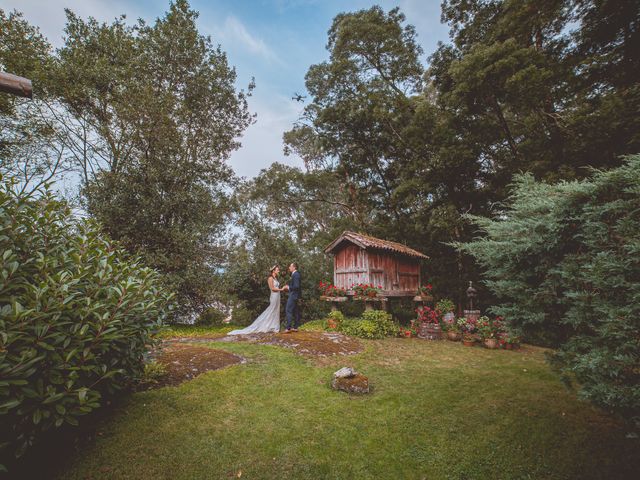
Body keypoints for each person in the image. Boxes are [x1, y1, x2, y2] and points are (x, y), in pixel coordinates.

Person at [228, 265, 285, 335]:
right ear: (273, 271)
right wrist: (281, 289)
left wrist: (280, 290)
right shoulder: (270, 278)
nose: (278, 271)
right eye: (277, 269)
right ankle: (266, 326)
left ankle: (274, 326)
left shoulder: (275, 278)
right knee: (271, 309)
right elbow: (272, 288)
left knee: (276, 310)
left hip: (278, 295)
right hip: (274, 295)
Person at [283, 262, 301, 333]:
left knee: (288, 310)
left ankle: (288, 328)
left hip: (293, 295)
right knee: (295, 311)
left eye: (290, 266)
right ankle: (296, 327)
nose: (289, 268)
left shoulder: (296, 275)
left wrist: (288, 287)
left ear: (294, 267)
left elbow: (296, 286)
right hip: (295, 295)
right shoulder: (295, 274)